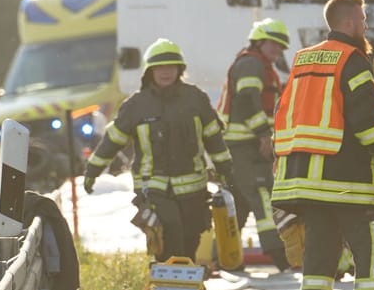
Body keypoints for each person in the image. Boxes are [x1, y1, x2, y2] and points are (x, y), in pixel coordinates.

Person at [272, 0, 374, 290]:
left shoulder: (304, 59)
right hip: (347, 174)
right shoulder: (352, 59)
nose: (365, 26)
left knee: (321, 247)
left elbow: (284, 110)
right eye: (363, 20)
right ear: (350, 22)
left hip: (306, 176)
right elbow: (364, 117)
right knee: (372, 240)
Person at [83, 38, 233, 261]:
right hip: (152, 187)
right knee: (167, 232)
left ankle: (185, 282)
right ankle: (167, 281)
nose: (166, 72)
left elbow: (214, 139)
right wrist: (92, 171)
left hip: (193, 187)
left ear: (179, 69)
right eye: (159, 67)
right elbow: (112, 142)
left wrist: (225, 170)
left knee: (191, 236)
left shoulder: (195, 99)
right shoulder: (136, 106)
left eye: (171, 66)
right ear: (149, 71)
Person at [217, 17, 292, 270]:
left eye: (281, 47)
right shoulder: (251, 64)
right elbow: (249, 100)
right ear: (259, 41)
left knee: (239, 203)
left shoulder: (256, 63)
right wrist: (263, 135)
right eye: (274, 44)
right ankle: (279, 255)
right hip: (244, 145)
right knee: (261, 194)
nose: (278, 51)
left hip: (241, 145)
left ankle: (225, 258)